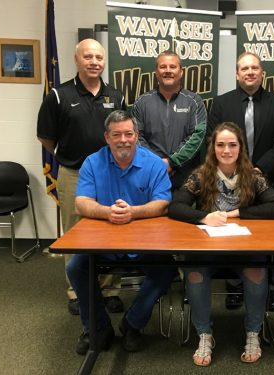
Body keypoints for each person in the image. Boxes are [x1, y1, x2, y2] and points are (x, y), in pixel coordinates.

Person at [168, 122, 274, 367]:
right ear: (213, 148)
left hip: (244, 249)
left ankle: (253, 333)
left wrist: (237, 213)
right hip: (208, 250)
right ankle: (204, 334)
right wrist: (203, 217)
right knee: (194, 272)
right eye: (220, 144)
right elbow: (175, 206)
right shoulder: (201, 175)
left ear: (240, 147)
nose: (226, 150)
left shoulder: (252, 176)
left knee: (257, 270)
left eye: (232, 144)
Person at [66, 110, 177, 355]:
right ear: (107, 137)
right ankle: (97, 328)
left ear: (136, 135)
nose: (123, 140)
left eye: (128, 134)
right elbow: (81, 203)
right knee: (75, 267)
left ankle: (132, 323)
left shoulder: (153, 164)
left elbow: (163, 203)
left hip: (144, 244)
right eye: (117, 134)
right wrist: (107, 212)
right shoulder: (92, 163)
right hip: (104, 243)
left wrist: (133, 212)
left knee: (167, 268)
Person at [37, 38, 126, 315]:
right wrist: (72, 157)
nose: (94, 62)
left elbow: (123, 133)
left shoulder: (116, 95)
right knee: (76, 232)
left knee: (111, 230)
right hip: (73, 173)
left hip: (111, 174)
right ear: (77, 60)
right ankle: (77, 291)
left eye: (99, 58)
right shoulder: (59, 95)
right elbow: (46, 136)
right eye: (88, 57)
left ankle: (109, 289)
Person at [208, 52, 274, 310]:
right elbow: (213, 141)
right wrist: (237, 170)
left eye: (255, 68)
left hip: (266, 179)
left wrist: (257, 169)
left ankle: (272, 289)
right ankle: (235, 288)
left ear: (262, 73)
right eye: (244, 68)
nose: (250, 72)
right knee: (234, 235)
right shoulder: (221, 104)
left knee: (269, 237)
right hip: (230, 180)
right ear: (237, 74)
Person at [132, 50, 206, 189]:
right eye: (163, 66)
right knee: (152, 211)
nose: (168, 70)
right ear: (156, 71)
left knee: (182, 210)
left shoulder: (195, 102)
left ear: (181, 72)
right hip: (150, 174)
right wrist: (157, 163)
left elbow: (197, 136)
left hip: (187, 178)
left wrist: (172, 162)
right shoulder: (142, 102)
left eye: (172, 67)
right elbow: (136, 136)